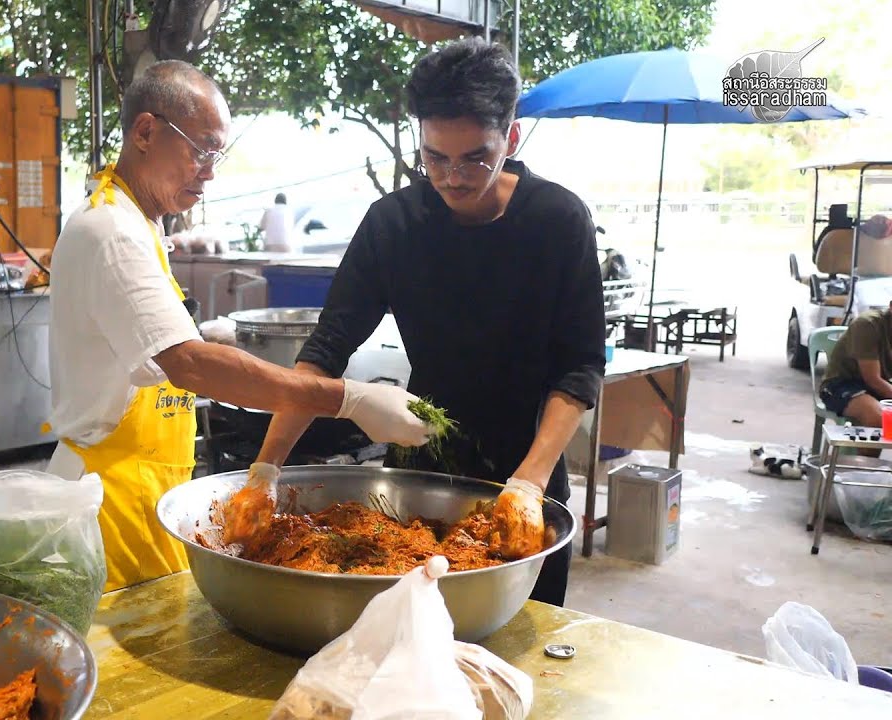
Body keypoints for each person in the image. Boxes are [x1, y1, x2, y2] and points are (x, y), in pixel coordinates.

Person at [47, 60, 432, 592]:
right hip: (108, 505)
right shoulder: (112, 232)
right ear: (145, 132)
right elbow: (189, 364)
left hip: (139, 490)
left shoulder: (140, 226)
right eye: (202, 150)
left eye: (216, 156)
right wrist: (348, 399)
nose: (209, 171)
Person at [251, 39, 606, 607]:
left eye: (474, 158)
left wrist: (528, 481)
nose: (452, 178)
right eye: (435, 158)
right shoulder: (393, 224)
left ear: (510, 139)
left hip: (528, 470)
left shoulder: (557, 220)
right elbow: (328, 347)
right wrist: (266, 469)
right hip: (419, 469)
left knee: (520, 646)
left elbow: (581, 365)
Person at [819, 303, 892, 428]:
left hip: (879, 385)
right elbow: (873, 380)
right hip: (841, 384)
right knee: (877, 418)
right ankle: (860, 447)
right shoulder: (868, 324)